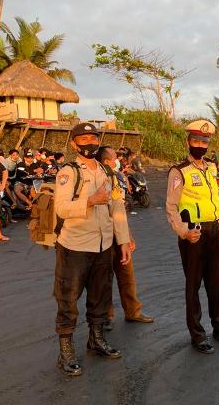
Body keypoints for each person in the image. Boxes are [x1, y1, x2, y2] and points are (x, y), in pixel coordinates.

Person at [53, 123, 132, 377]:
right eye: (83, 139)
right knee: (68, 299)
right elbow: (61, 209)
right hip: (74, 246)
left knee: (101, 296)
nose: (89, 143)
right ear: (74, 144)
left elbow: (117, 209)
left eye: (93, 138)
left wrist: (123, 241)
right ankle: (65, 351)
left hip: (103, 245)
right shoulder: (68, 172)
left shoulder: (109, 173)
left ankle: (96, 340)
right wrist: (90, 201)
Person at [165, 119, 219, 354]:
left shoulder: (211, 168)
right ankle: (197, 334)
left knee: (216, 282)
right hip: (193, 232)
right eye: (196, 140)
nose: (200, 144)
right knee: (193, 284)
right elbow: (171, 206)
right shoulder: (179, 172)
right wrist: (183, 232)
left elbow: (216, 201)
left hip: (214, 231)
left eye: (204, 141)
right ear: (188, 142)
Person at [95, 146, 153, 330]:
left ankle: (133, 311)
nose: (117, 160)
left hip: (118, 235)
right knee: (103, 279)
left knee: (127, 276)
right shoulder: (95, 179)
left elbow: (119, 210)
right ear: (105, 161)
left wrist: (128, 236)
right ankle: (106, 316)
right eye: (114, 158)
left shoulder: (115, 177)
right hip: (101, 236)